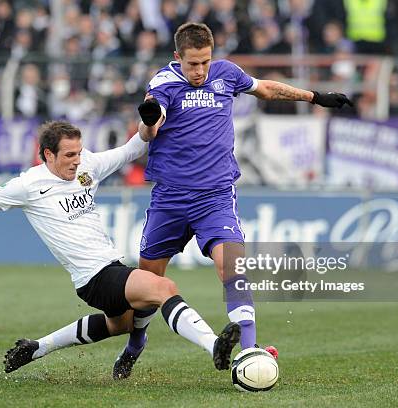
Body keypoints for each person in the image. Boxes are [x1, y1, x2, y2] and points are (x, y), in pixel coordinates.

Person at [113, 22, 352, 379]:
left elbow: (266, 89)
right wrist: (148, 122)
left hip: (216, 196)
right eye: (193, 64)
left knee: (233, 267)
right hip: (170, 199)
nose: (200, 71)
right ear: (178, 57)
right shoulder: (163, 83)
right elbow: (151, 125)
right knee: (149, 285)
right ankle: (136, 344)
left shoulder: (226, 74)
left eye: (205, 62)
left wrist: (315, 96)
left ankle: (249, 350)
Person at [0, 121, 241, 376]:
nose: (76, 161)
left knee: (119, 325)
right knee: (162, 287)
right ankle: (213, 345)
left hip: (107, 268)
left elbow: (129, 150)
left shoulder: (86, 167)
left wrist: (147, 127)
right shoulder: (27, 186)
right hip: (94, 276)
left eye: (79, 153)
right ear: (47, 154)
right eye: (69, 155)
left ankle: (38, 348)